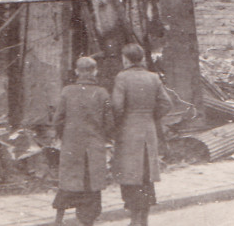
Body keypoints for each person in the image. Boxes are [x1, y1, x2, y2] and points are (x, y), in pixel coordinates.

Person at [112, 43, 172, 226]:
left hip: (129, 132)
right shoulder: (153, 78)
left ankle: (133, 221)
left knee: (130, 175)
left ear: (126, 59)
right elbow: (166, 103)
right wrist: (151, 116)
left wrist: (117, 124)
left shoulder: (122, 77)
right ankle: (143, 220)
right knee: (146, 176)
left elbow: (117, 106)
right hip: (148, 131)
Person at [52, 57, 114, 226]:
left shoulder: (67, 91)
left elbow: (57, 119)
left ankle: (59, 219)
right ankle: (87, 222)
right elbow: (109, 123)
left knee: (68, 182)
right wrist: (104, 136)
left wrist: (64, 136)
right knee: (92, 185)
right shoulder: (102, 93)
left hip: (72, 145)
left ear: (77, 72)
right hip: (94, 146)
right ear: (95, 71)